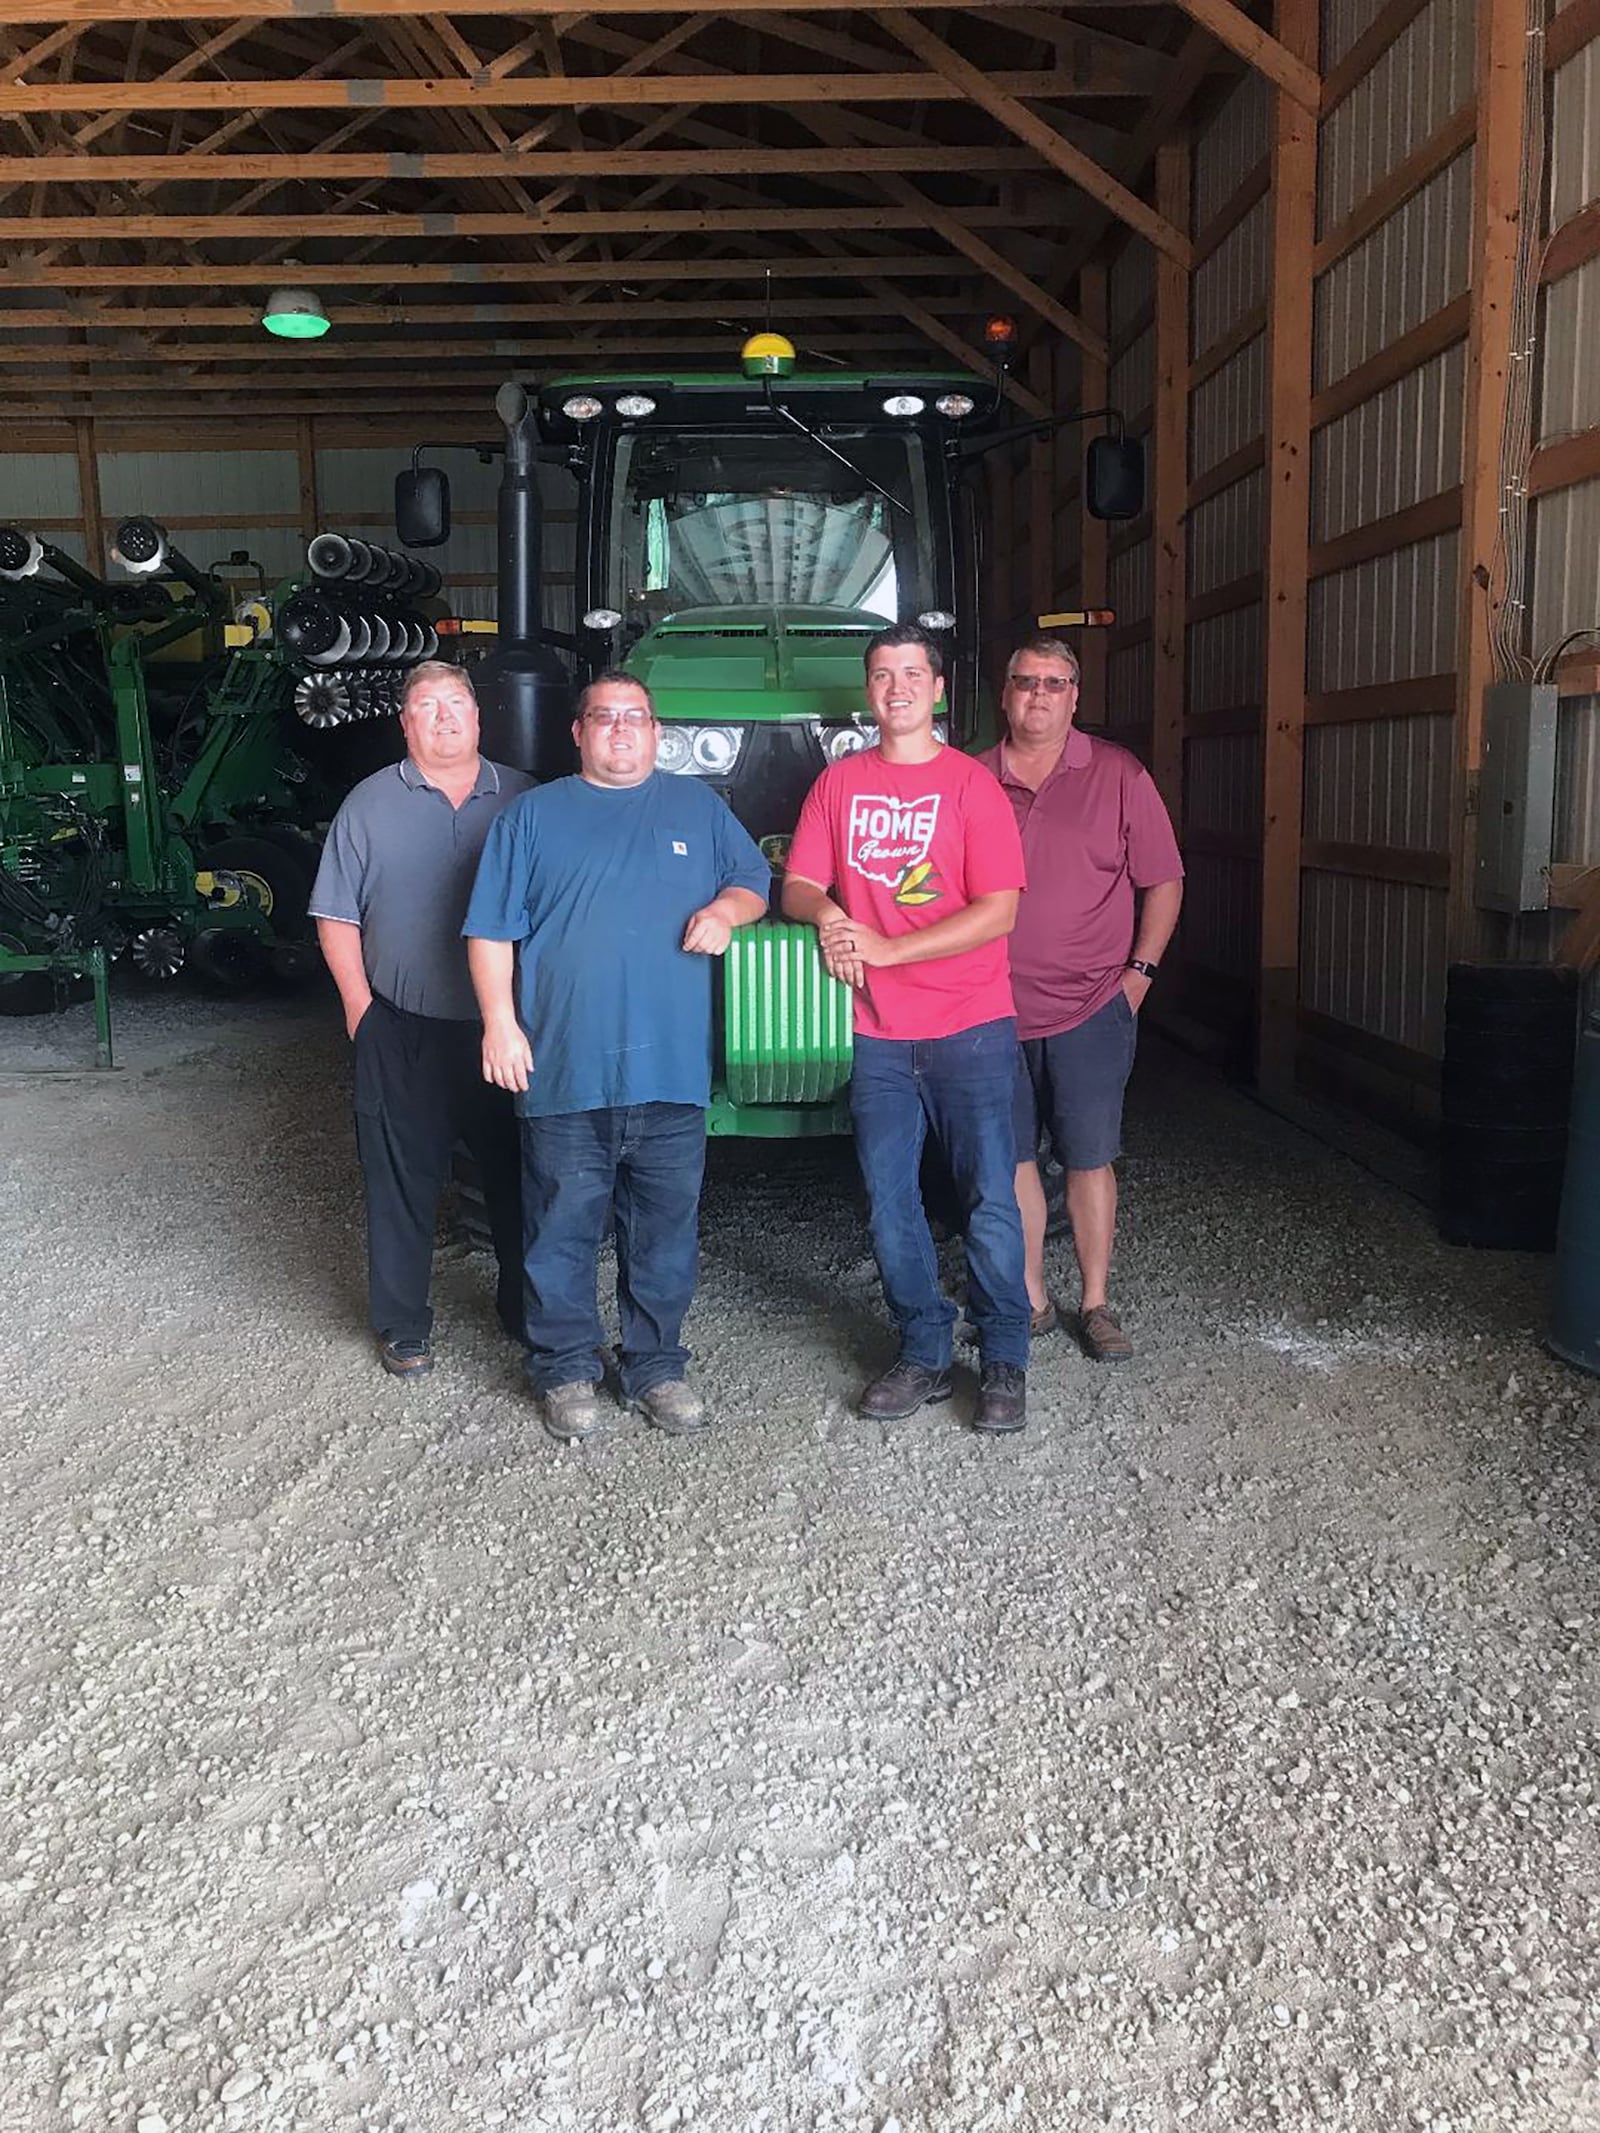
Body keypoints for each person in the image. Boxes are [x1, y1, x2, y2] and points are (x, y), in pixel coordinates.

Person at [463, 670, 769, 1445]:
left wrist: (726, 912)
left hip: (669, 1069)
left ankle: (655, 1365)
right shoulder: (530, 818)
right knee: (560, 1227)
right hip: (565, 1067)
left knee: (664, 1231)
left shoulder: (697, 808)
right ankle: (565, 1367)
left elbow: (754, 880)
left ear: (657, 731)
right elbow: (490, 930)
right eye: (605, 718)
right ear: (579, 732)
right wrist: (500, 1023)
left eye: (636, 718)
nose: (622, 731)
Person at [782, 624, 1033, 1435]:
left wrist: (889, 944)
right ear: (869, 691)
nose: (897, 687)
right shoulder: (839, 785)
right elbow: (797, 883)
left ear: (937, 691)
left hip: (971, 1026)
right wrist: (828, 916)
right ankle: (924, 1347)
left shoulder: (971, 787)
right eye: (883, 674)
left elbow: (999, 911)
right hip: (880, 1036)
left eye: (912, 673)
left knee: (990, 1198)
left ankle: (1003, 1357)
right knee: (890, 1203)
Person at [309, 661, 533, 1379]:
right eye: (425, 706)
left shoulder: (526, 799)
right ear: (404, 724)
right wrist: (359, 1008)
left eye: (457, 702)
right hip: (401, 1028)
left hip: (506, 1030)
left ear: (479, 716)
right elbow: (337, 914)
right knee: (400, 1182)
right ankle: (404, 1325)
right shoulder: (368, 806)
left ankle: (525, 1311)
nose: (443, 716)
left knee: (524, 1176)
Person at [977, 635, 1184, 1362]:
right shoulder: (969, 780)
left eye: (1055, 683)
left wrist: (1139, 976)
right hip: (989, 1008)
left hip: (1092, 1005)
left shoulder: (1119, 774)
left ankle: (1095, 1301)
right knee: (1010, 1158)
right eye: (1025, 681)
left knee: (1090, 1157)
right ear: (1004, 695)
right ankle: (1031, 1299)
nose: (1039, 694)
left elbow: (1164, 877)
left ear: (1075, 696)